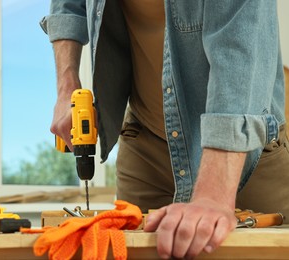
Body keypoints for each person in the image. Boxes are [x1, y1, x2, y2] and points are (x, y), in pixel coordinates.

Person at [41, 0, 288, 258]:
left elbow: (240, 45)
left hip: (243, 151)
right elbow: (68, 5)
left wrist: (214, 197)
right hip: (146, 143)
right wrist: (66, 88)